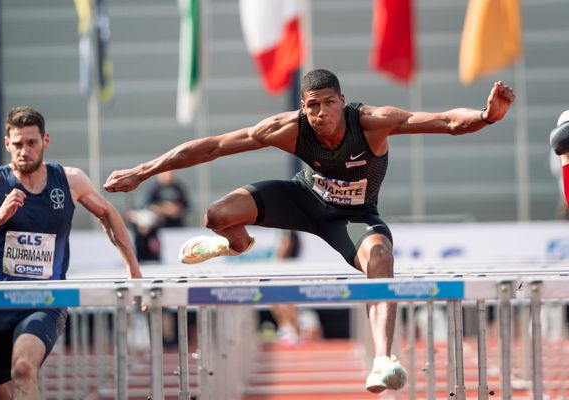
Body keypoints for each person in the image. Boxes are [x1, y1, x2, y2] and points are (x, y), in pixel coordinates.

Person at [104, 69, 515, 393]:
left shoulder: (371, 122)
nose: (321, 114)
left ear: (342, 100)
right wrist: (144, 172)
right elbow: (212, 146)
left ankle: (383, 359)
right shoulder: (289, 128)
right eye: (313, 106)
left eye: (329, 104)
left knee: (382, 259)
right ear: (303, 107)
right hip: (303, 201)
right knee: (216, 214)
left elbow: (444, 121)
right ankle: (237, 243)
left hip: (352, 217)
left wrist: (485, 117)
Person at [0, 106, 144, 400]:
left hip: (45, 300)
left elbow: (108, 214)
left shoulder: (70, 180)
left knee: (24, 369)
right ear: (6, 144)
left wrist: (134, 271)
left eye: (32, 143)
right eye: (18, 144)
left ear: (45, 141)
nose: (24, 151)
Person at [125, 170, 189, 262]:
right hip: (159, 230)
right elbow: (148, 206)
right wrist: (164, 209)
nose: (169, 175)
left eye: (171, 173)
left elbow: (186, 207)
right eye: (167, 173)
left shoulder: (179, 188)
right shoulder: (155, 189)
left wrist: (176, 210)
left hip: (177, 228)